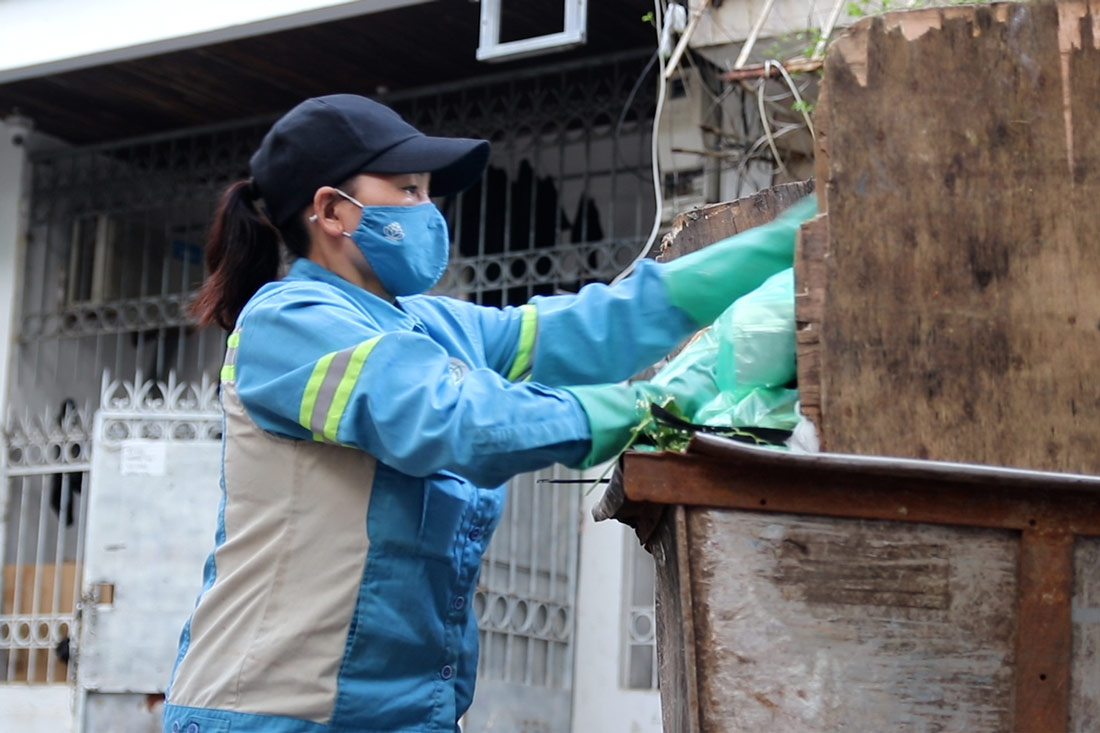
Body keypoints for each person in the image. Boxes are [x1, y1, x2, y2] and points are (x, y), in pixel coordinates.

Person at [163, 93, 814, 733]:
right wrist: (643, 409)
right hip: (270, 712)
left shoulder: (434, 323)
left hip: (407, 713)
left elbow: (587, 326)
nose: (429, 212)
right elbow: (454, 418)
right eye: (409, 192)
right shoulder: (289, 325)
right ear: (333, 210)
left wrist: (768, 251)